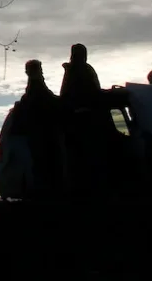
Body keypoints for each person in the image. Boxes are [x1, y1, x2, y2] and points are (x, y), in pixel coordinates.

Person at [0, 59, 65, 197]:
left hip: (34, 141)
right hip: (38, 141)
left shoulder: (31, 95)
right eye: (38, 70)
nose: (40, 73)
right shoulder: (37, 91)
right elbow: (48, 105)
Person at [60, 43, 117, 193]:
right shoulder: (84, 71)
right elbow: (94, 93)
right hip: (88, 125)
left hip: (76, 126)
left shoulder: (71, 72)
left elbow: (65, 96)